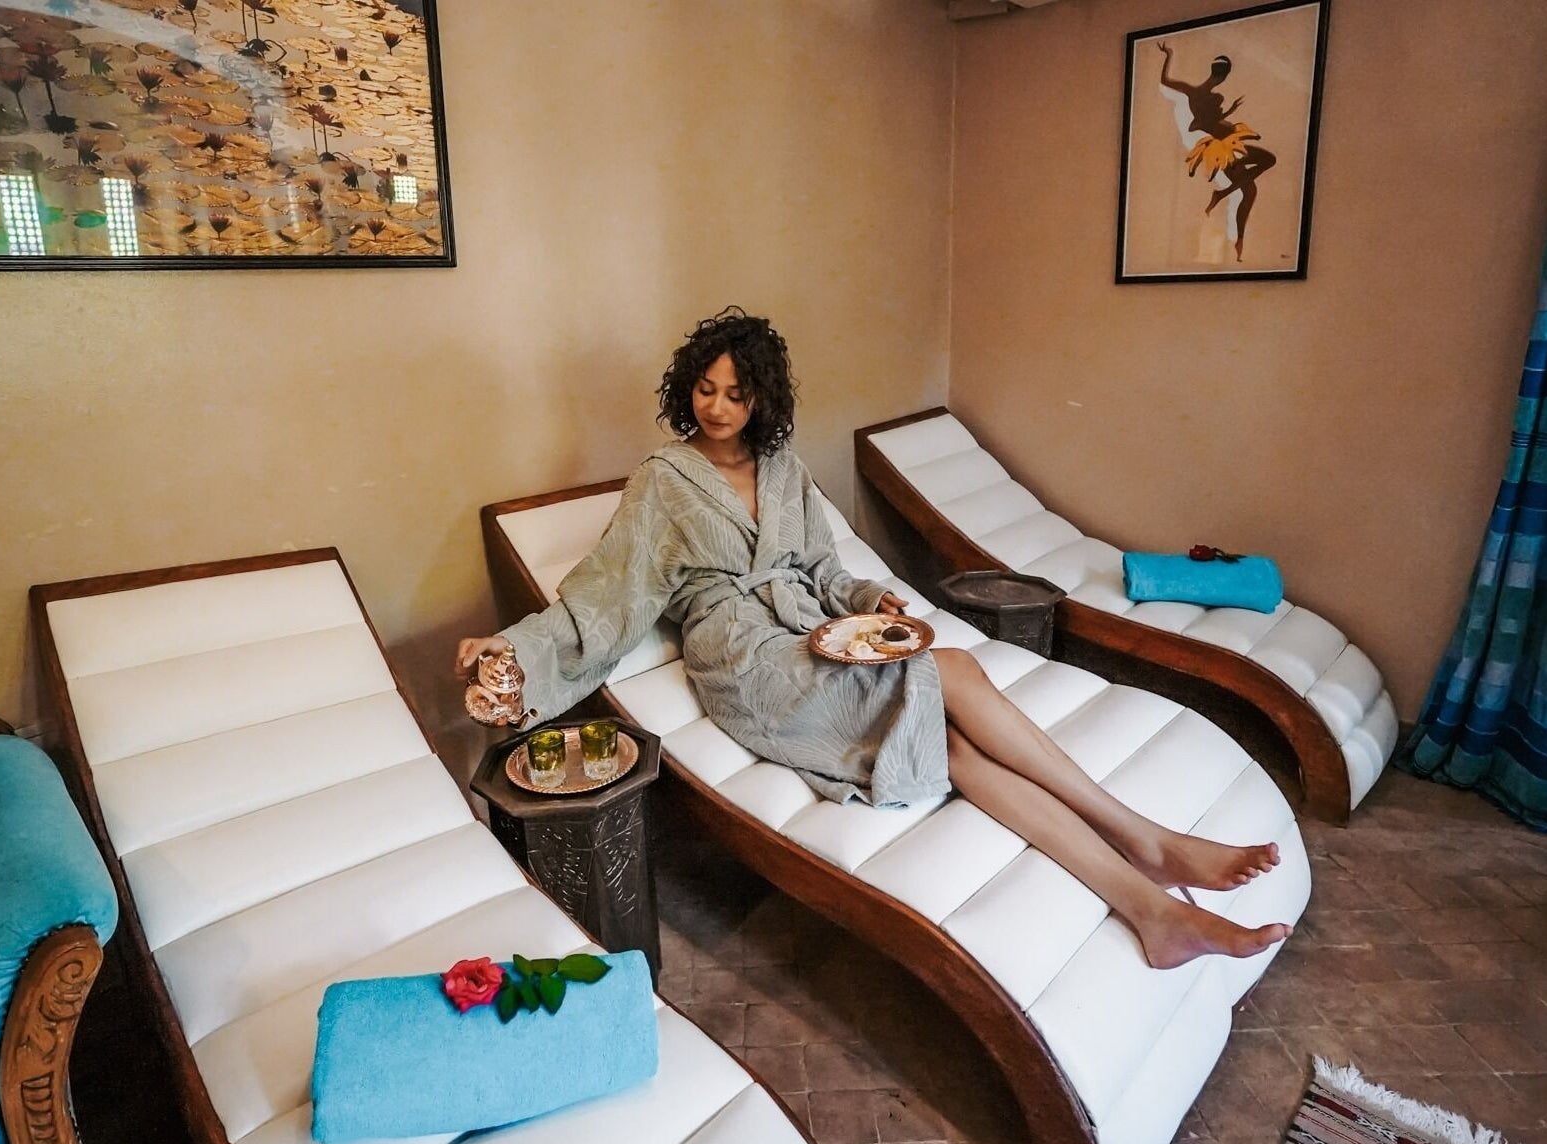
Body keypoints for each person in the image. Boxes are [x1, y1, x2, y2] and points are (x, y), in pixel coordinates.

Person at [457, 307, 1290, 969]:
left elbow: (823, 570)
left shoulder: (784, 470)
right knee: (954, 668)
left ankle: (1149, 909)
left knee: (959, 753)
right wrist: (513, 651)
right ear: (687, 388)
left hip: (815, 635)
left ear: (763, 400)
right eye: (705, 389)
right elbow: (604, 598)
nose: (717, 407)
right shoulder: (662, 481)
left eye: (736, 393)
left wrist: (871, 596)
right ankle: (1146, 839)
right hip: (747, 663)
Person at [1156, 42, 1277, 262]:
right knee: (1265, 165)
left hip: (1226, 142)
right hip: (1224, 147)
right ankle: (1223, 200)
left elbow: (1166, 81)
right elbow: (1207, 122)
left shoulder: (1192, 92)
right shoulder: (1209, 97)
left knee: (1249, 190)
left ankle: (1236, 233)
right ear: (1223, 76)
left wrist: (1169, 55)